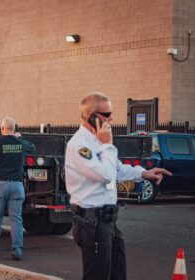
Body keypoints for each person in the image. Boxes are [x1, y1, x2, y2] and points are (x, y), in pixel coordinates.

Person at [65, 92, 172, 280]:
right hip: (92, 221)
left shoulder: (97, 140)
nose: (111, 118)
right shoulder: (80, 145)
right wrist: (107, 145)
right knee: (97, 276)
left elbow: (116, 168)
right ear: (91, 115)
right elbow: (105, 175)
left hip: (107, 220)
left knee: (118, 273)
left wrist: (143, 173)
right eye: (106, 114)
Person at [0, 117, 35, 261]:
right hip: (17, 186)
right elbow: (32, 148)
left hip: (0, 185)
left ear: (2, 128)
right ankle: (17, 251)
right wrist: (20, 138)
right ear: (14, 129)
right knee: (16, 220)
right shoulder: (19, 143)